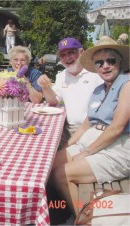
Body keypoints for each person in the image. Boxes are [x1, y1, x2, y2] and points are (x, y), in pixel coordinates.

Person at [51, 36, 130, 217]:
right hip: (91, 142)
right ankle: (57, 211)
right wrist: (67, 146)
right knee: (48, 164)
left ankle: (82, 218)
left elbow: (117, 127)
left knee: (60, 175)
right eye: (99, 63)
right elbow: (86, 124)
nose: (105, 66)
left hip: (117, 148)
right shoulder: (99, 90)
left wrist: (85, 154)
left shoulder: (126, 84)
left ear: (119, 62)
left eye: (110, 61)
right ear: (95, 66)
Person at [37, 37, 103, 145]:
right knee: (41, 144)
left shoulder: (96, 73)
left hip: (92, 130)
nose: (67, 57)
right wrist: (45, 87)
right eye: (63, 55)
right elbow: (54, 101)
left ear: (82, 52)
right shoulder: (61, 76)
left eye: (71, 53)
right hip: (68, 128)